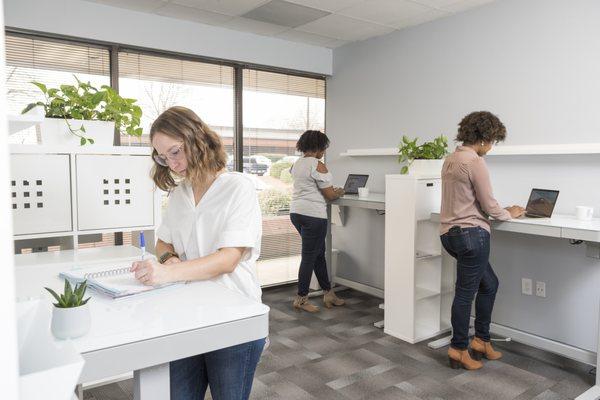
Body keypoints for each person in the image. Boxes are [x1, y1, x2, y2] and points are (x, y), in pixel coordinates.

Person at [130, 106, 264, 400]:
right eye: (163, 158)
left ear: (198, 140)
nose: (173, 164)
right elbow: (163, 243)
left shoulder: (237, 187)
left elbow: (228, 259)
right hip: (187, 313)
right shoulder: (180, 195)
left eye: (175, 152)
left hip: (233, 316)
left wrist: (167, 272)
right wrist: (169, 259)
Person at [440, 111, 525, 370]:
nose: (491, 147)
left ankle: (481, 341)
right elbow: (488, 204)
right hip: (471, 235)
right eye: (492, 141)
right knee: (466, 294)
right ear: (485, 138)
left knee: (489, 284)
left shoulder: (450, 159)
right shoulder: (475, 161)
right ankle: (457, 349)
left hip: (450, 234)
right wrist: (508, 213)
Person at [289, 130, 345, 312]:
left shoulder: (297, 164)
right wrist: (339, 192)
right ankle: (301, 298)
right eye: (324, 148)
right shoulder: (317, 165)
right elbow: (329, 196)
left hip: (297, 213)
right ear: (319, 147)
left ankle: (328, 293)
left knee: (318, 254)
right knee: (309, 257)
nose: (324, 152)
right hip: (314, 216)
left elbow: (308, 188)